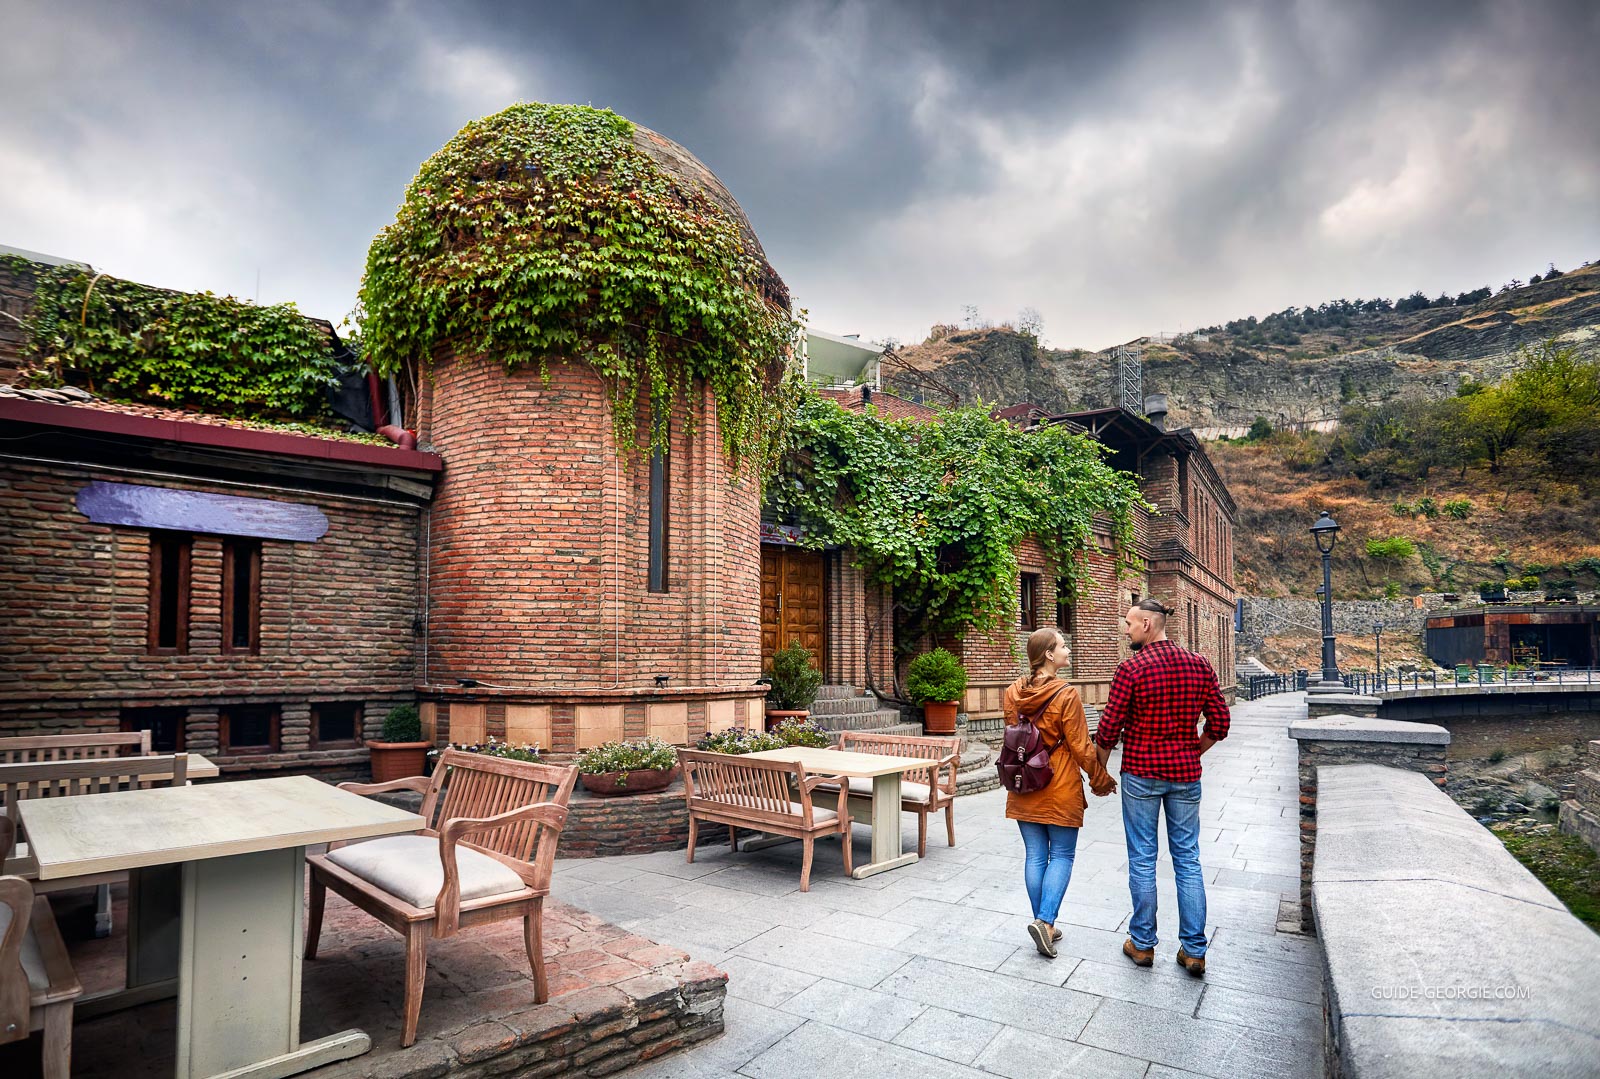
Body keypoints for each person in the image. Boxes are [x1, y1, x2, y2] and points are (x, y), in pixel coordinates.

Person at [1094, 598, 1231, 977]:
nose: (1127, 630)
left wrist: (1098, 773)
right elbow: (1220, 723)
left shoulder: (1131, 670)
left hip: (1141, 773)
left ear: (1148, 626)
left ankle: (1142, 944)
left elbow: (1108, 729)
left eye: (1130, 624)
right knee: (1188, 859)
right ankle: (1194, 950)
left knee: (1142, 858)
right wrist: (1193, 751)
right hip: (1185, 775)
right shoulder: (1199, 665)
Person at [1003, 625, 1117, 958]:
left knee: (1035, 855)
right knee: (1062, 855)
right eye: (1063, 646)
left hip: (1023, 781)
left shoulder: (1012, 692)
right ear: (1049, 655)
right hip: (1060, 782)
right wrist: (1100, 779)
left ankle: (1044, 923)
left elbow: (1014, 734)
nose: (1068, 650)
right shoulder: (1066, 694)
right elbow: (1082, 747)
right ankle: (1046, 921)